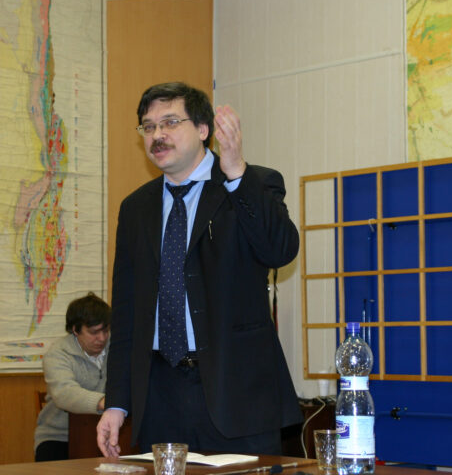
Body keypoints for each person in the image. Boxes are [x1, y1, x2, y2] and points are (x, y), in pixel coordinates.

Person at [96, 82, 301, 457]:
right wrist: (117, 403)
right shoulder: (136, 208)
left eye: (170, 122)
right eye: (148, 126)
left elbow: (280, 249)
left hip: (236, 394)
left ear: (204, 129)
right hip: (159, 397)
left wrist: (236, 171)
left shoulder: (250, 184)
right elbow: (127, 314)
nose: (157, 135)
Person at [34, 292, 111, 461]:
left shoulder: (118, 347)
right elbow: (65, 393)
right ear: (75, 330)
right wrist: (105, 402)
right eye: (94, 332)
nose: (102, 338)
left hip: (109, 432)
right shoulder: (57, 354)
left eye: (105, 330)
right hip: (60, 436)